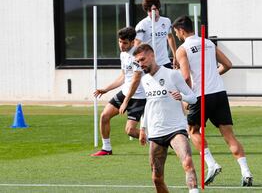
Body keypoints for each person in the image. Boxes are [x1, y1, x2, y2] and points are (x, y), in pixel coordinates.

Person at [172, 15, 253, 186]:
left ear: (181, 30)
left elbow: (186, 77)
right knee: (229, 135)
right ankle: (246, 172)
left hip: (201, 95)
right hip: (219, 93)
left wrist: (186, 97)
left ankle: (211, 164)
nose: (177, 36)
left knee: (192, 131)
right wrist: (212, 75)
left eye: (177, 33)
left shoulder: (183, 49)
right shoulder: (208, 43)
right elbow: (228, 64)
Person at [133, 44, 199, 193]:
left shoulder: (172, 74)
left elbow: (193, 98)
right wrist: (143, 128)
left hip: (176, 129)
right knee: (157, 178)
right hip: (156, 133)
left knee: (188, 163)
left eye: (142, 59)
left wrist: (181, 96)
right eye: (138, 62)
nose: (141, 64)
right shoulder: (145, 80)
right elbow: (149, 104)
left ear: (152, 56)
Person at [91, 27, 146, 156]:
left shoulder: (137, 56)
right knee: (104, 116)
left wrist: (125, 102)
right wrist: (106, 89)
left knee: (130, 131)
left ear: (133, 42)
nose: (121, 45)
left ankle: (159, 141)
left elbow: (135, 81)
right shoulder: (123, 54)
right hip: (125, 92)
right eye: (120, 42)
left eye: (125, 43)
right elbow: (123, 76)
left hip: (138, 97)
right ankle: (107, 148)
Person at [135, 0, 177, 69]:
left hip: (165, 61)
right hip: (150, 63)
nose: (152, 13)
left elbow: (170, 37)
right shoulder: (142, 24)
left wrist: (175, 55)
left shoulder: (166, 21)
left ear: (158, 9)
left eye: (154, 10)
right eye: (149, 11)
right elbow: (137, 44)